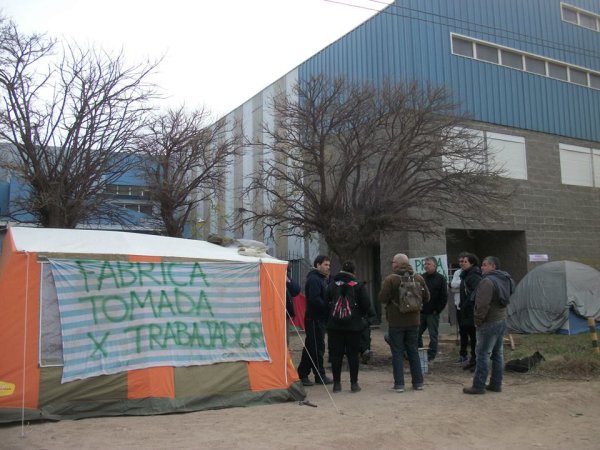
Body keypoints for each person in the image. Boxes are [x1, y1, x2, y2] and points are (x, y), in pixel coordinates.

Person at [379, 253, 430, 392]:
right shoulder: (418, 278)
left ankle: (399, 384)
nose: (392, 264)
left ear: (397, 264)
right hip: (414, 321)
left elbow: (383, 298)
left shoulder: (391, 279)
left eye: (393, 262)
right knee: (413, 351)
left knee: (397, 352)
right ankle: (418, 383)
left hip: (396, 322)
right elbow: (427, 297)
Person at [463, 256, 514, 394]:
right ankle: (496, 384)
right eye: (483, 264)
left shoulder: (487, 281)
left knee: (483, 354)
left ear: (493, 267)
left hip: (489, 321)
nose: (482, 267)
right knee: (498, 354)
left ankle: (478, 385)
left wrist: (478, 321)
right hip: (501, 319)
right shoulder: (505, 279)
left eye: (485, 265)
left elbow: (482, 305)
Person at [325, 261, 371, 393]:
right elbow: (366, 304)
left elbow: (325, 302)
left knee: (336, 355)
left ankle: (337, 384)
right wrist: (359, 316)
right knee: (353, 355)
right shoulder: (358, 285)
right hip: (354, 326)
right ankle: (354, 384)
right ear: (353, 272)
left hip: (334, 326)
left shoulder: (332, 284)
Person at [297, 255, 332, 386]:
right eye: (325, 264)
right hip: (313, 319)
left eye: (329, 265)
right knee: (316, 348)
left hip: (319, 319)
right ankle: (319, 375)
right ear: (318, 265)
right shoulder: (314, 279)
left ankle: (303, 374)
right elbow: (314, 299)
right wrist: (327, 307)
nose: (328, 267)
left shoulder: (322, 279)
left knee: (312, 347)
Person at [418, 257, 448, 362]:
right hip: (421, 312)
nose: (426, 266)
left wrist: (437, 310)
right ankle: (419, 352)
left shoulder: (440, 279)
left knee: (433, 335)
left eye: (429, 264)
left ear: (435, 266)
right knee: (417, 333)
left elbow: (444, 297)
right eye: (425, 264)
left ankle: (431, 355)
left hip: (433, 313)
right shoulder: (421, 278)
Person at [457, 252, 482, 370]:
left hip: (472, 311)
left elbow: (475, 294)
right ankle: (473, 360)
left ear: (471, 263)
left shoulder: (474, 276)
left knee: (475, 337)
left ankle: (476, 361)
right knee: (470, 336)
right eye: (461, 261)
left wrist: (466, 305)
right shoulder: (465, 275)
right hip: (466, 311)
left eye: (464, 261)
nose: (462, 263)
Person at [285, 266, 301, 343]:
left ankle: (286, 350)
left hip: (286, 312)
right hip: (275, 311)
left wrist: (288, 280)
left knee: (286, 335)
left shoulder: (288, 279)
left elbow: (296, 290)